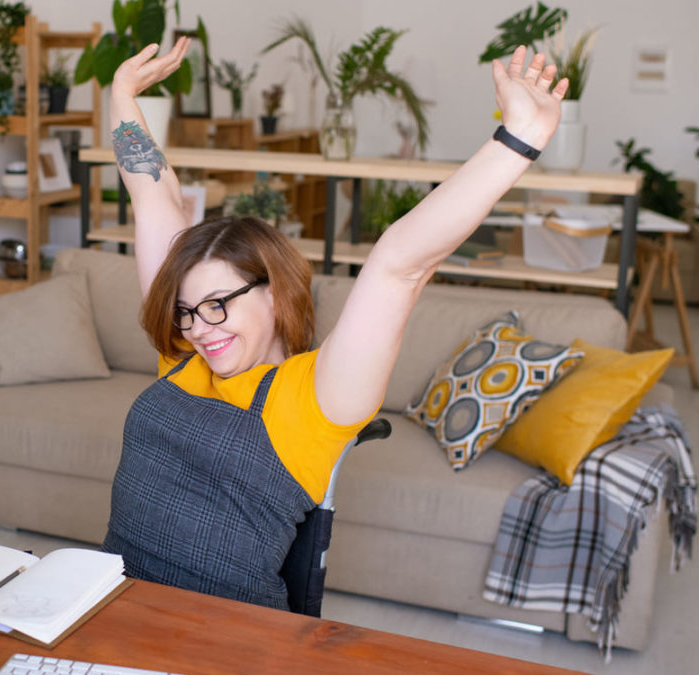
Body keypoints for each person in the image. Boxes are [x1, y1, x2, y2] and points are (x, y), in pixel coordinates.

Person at [101, 38, 569, 610]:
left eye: (219, 303)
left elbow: (400, 264)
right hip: (106, 605)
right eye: (187, 310)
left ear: (273, 294)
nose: (200, 327)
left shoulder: (316, 398)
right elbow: (154, 195)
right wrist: (121, 96)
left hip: (222, 640)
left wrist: (518, 140)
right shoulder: (183, 354)